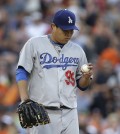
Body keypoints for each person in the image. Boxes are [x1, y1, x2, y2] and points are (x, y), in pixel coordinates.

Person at [16, 9, 93, 134]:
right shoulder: (34, 44)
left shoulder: (77, 50)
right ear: (53, 26)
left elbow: (82, 85)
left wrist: (86, 77)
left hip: (70, 112)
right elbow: (21, 71)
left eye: (71, 31)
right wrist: (25, 99)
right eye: (65, 30)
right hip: (42, 112)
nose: (68, 34)